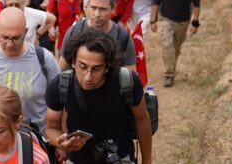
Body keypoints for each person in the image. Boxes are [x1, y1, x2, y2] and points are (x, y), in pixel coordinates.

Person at [46, 30, 152, 164]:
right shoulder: (60, 85)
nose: (88, 77)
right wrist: (61, 143)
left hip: (120, 157)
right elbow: (51, 127)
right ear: (73, 62)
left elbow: (142, 119)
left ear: (107, 67)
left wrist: (147, 161)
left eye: (96, 69)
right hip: (78, 160)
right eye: (82, 66)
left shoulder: (126, 81)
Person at [0, 7, 60, 134]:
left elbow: (60, 102)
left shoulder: (44, 59)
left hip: (35, 141)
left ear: (26, 32)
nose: (9, 44)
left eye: (16, 38)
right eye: (4, 38)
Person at [59, 0, 136, 72]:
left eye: (102, 9)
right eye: (93, 8)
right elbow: (61, 71)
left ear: (113, 9)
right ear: (87, 6)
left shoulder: (123, 38)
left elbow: (131, 76)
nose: (97, 14)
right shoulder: (74, 32)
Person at [150, 0, 200, 88]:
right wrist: (153, 20)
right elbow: (156, 2)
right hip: (166, 19)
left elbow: (196, 4)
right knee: (167, 46)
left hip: (183, 22)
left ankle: (171, 65)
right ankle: (169, 74)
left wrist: (195, 23)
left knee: (176, 48)